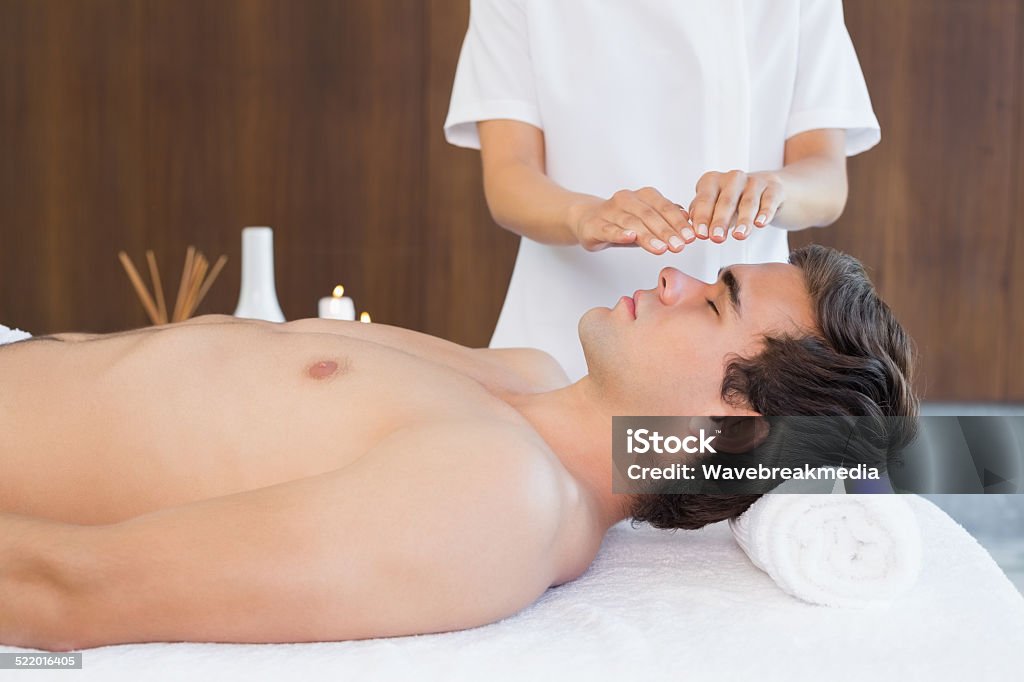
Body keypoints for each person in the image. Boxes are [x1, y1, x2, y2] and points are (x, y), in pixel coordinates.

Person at [0, 245, 917, 651]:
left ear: (733, 428)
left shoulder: (497, 499)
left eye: (714, 301)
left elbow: (72, 590)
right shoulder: (519, 372)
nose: (673, 277)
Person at [445, 0, 880, 380]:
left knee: (683, 462)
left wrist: (771, 189)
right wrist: (583, 215)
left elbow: (826, 180)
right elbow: (509, 176)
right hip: (560, 330)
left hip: (733, 349)